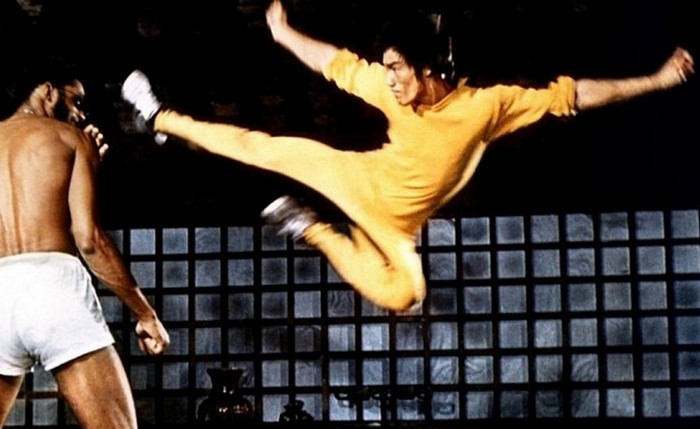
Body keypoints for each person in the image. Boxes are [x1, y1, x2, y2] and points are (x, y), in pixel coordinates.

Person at [121, 0, 694, 312]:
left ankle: (311, 229)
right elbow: (336, 65)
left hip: (397, 227)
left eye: (398, 69)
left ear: (427, 68)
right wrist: (284, 33)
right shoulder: (389, 89)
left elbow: (574, 96)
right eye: (388, 69)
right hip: (358, 179)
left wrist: (657, 80)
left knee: (406, 295)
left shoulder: (486, 107)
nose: (391, 80)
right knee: (261, 147)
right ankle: (159, 116)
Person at [0, 55, 170, 429]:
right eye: (74, 100)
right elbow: (89, 239)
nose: (79, 113)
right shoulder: (70, 139)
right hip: (53, 290)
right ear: (47, 92)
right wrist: (145, 314)